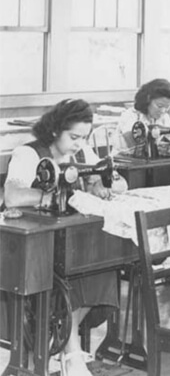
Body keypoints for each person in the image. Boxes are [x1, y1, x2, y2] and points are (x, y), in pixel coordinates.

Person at [3, 99, 122, 376]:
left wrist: (100, 184)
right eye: (74, 136)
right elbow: (13, 196)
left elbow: (117, 181)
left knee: (102, 269)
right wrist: (53, 195)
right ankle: (71, 355)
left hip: (71, 238)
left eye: (84, 137)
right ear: (56, 130)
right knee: (68, 275)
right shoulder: (28, 154)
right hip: (33, 242)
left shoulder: (82, 152)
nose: (80, 143)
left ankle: (67, 347)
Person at [115, 78, 170, 151]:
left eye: (167, 107)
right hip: (123, 160)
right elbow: (133, 144)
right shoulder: (130, 116)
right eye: (159, 106)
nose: (163, 111)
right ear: (148, 99)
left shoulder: (164, 117)